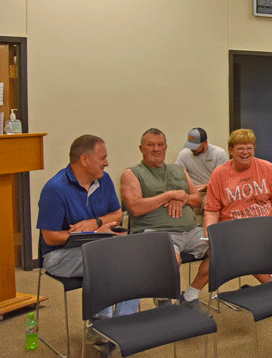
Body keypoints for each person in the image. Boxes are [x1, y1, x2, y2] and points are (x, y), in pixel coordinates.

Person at [36, 134, 138, 355]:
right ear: (84, 160)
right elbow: (50, 237)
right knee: (106, 261)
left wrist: (95, 223)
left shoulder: (105, 179)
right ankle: (103, 326)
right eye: (103, 157)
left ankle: (120, 326)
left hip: (98, 247)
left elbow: (117, 215)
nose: (107, 162)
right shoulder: (55, 189)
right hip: (59, 255)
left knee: (135, 259)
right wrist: (93, 233)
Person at [120, 128, 206, 309]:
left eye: (160, 145)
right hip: (155, 233)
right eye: (150, 145)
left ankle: (191, 295)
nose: (156, 149)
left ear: (166, 147)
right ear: (141, 148)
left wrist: (183, 198)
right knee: (171, 260)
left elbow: (197, 201)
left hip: (190, 231)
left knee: (222, 248)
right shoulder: (132, 173)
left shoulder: (179, 170)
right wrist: (168, 195)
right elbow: (135, 208)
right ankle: (163, 300)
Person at [204, 129, 272, 281]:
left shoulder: (267, 168)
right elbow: (212, 210)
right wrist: (209, 234)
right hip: (236, 225)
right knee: (249, 253)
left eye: (249, 148)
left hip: (268, 220)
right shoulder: (219, 174)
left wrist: (268, 227)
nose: (245, 152)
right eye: (240, 148)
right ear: (231, 150)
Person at [175, 127, 228, 193]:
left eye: (195, 146)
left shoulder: (219, 153)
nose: (192, 149)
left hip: (212, 190)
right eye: (190, 145)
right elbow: (177, 176)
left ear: (205, 143)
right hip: (191, 191)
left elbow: (221, 181)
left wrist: (204, 187)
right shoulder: (184, 154)